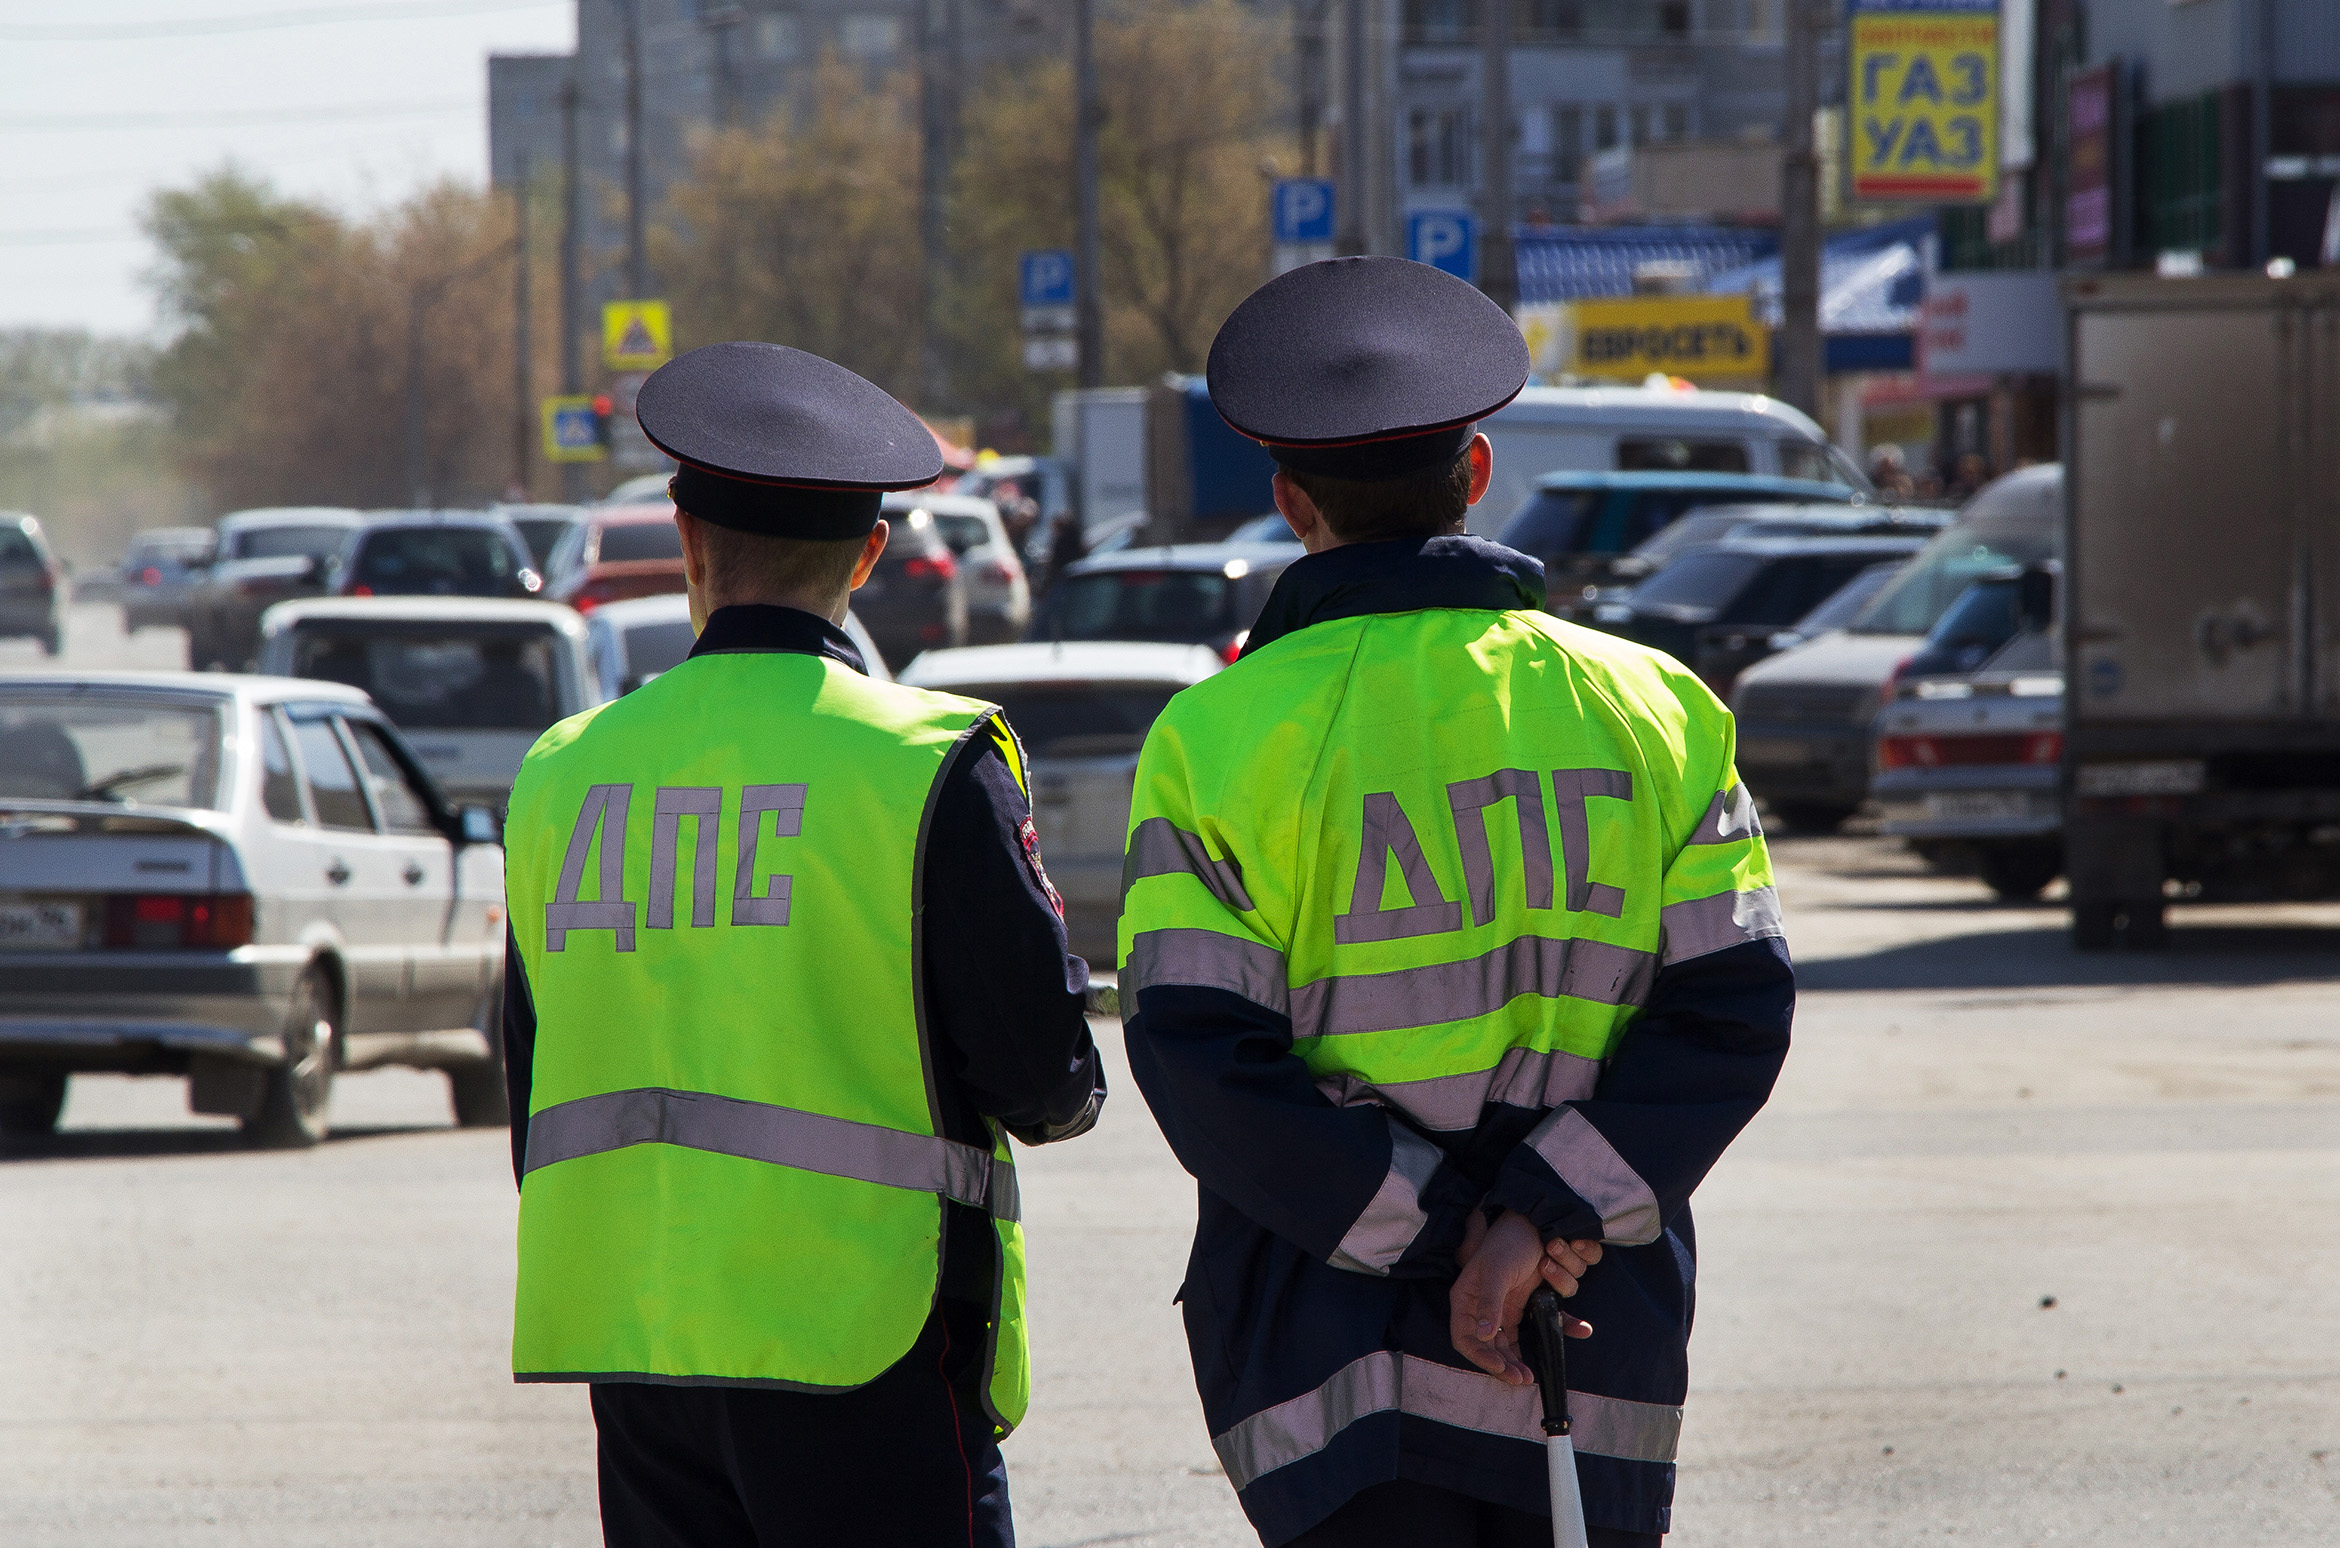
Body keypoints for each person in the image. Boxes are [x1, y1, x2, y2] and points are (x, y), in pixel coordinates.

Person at [1117, 257, 1794, 1548]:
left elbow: (1202, 1064)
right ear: (1476, 475)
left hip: (1332, 1369)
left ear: (1288, 501)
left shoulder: (1213, 741)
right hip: (1590, 1350)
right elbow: (1735, 1013)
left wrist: (1451, 1234)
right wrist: (1537, 1223)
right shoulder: (1658, 712)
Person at [500, 341, 1105, 1548]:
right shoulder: (927, 761)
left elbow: (531, 1085)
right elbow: (1048, 1087)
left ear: (685, 537)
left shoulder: (565, 772)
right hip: (868, 1338)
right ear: (871, 556)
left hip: (643, 1342)